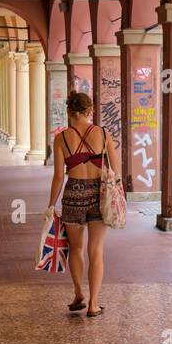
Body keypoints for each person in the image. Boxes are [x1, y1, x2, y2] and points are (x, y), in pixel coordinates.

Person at [47, 92, 118, 317]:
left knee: (76, 249)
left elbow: (59, 176)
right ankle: (94, 304)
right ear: (90, 111)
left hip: (73, 195)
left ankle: (79, 293)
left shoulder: (61, 138)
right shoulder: (104, 134)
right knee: (96, 250)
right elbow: (115, 172)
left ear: (69, 113)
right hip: (99, 193)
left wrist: (51, 205)